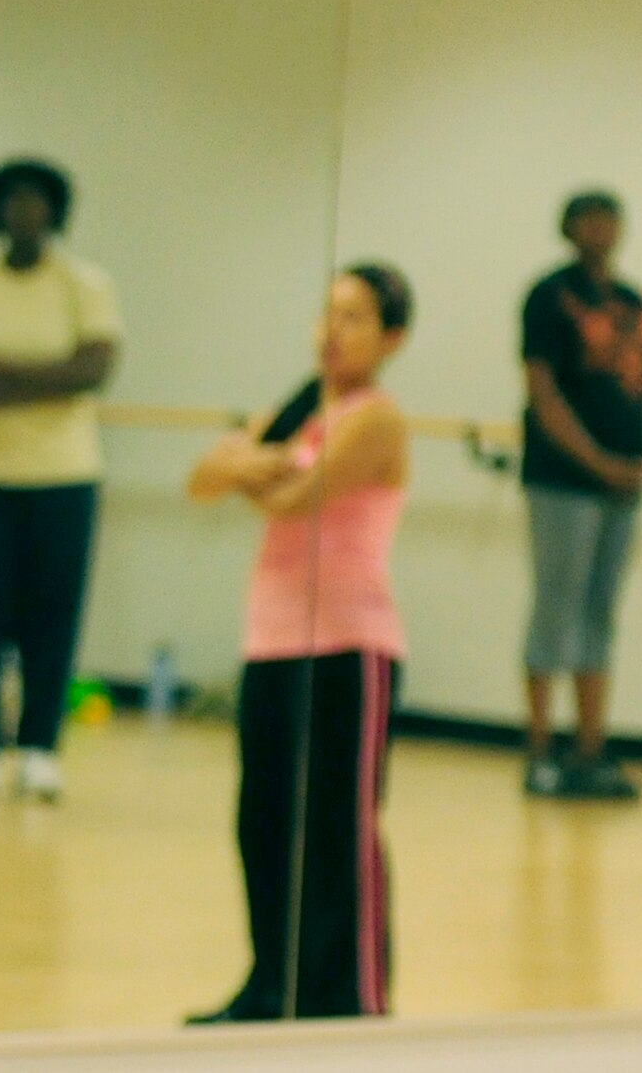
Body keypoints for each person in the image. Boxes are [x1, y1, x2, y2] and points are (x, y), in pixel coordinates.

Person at [186, 263, 414, 1023]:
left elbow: (292, 495)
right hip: (273, 644)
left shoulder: (375, 418)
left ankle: (349, 998)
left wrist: (253, 462)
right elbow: (203, 478)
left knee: (336, 828)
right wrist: (261, 460)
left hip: (350, 645)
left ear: (391, 338)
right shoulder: (302, 411)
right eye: (328, 313)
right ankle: (270, 986)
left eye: (354, 317)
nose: (332, 330)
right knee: (264, 821)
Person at [0, 158, 120, 802]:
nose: (25, 213)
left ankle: (41, 746)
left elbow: (93, 367)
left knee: (53, 614)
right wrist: (47, 375)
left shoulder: (85, 285)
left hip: (64, 475)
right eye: (12, 201)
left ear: (56, 211)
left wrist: (6, 376)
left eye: (37, 201)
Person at [518, 191, 642, 801]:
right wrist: (596, 460)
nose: (603, 228)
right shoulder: (548, 297)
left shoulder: (633, 302)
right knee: (557, 607)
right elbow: (544, 393)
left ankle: (589, 751)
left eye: (611, 217)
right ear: (570, 228)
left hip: (625, 484)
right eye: (590, 218)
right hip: (562, 481)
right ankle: (540, 751)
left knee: (599, 613)